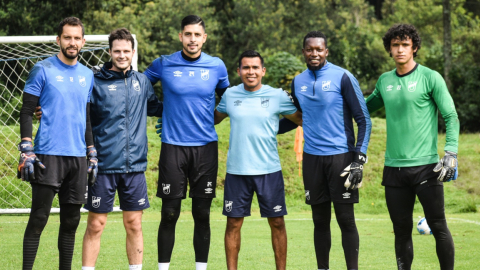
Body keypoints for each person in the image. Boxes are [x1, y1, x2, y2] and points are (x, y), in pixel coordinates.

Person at [366, 24, 458, 270]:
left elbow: (451, 116)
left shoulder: (430, 77)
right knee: (401, 231)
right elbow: (363, 108)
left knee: (438, 226)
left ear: (414, 48)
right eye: (395, 45)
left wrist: (451, 153)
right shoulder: (385, 81)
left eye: (405, 44)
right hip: (394, 169)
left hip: (427, 168)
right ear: (389, 49)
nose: (399, 50)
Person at [279, 31, 371, 270]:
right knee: (319, 221)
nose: (314, 53)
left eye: (319, 49)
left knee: (345, 220)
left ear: (326, 51)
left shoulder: (343, 77)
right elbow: (296, 118)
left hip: (341, 158)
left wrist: (359, 160)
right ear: (303, 52)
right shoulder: (298, 81)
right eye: (310, 49)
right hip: (312, 160)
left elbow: (364, 120)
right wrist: (266, 126)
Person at [143, 15, 230, 270]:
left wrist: (213, 118)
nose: (192, 39)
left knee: (202, 213)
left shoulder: (216, 66)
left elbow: (228, 99)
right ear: (180, 36)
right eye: (188, 34)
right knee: (169, 213)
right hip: (173, 147)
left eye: (197, 35)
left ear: (204, 38)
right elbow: (138, 86)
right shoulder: (164, 63)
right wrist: (160, 110)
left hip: (205, 148)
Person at [80, 28, 163, 270]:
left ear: (133, 52)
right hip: (102, 165)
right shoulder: (94, 82)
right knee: (96, 224)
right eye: (117, 51)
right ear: (109, 52)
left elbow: (157, 108)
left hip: (134, 167)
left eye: (126, 51)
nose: (122, 55)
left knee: (134, 224)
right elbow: (79, 113)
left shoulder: (142, 82)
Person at [18, 17, 95, 270]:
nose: (72, 42)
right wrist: (26, 148)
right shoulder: (42, 69)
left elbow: (85, 116)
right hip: (47, 156)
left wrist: (91, 151)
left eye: (76, 38)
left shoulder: (87, 75)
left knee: (71, 222)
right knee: (38, 219)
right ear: (58, 39)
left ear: (83, 42)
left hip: (77, 158)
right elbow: (27, 110)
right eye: (67, 37)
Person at [214, 50, 302, 270]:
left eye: (255, 67)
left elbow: (300, 119)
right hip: (237, 171)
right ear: (239, 71)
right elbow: (211, 119)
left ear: (263, 71)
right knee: (233, 223)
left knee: (277, 222)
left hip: (268, 170)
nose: (250, 72)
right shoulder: (230, 96)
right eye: (246, 67)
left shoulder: (277, 95)